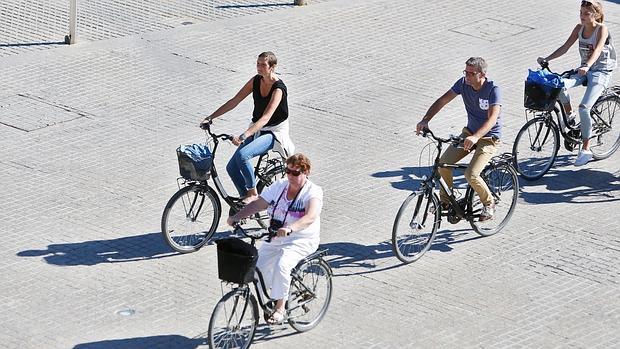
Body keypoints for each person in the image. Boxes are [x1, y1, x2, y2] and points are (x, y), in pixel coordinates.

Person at [226, 153, 323, 324]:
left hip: (301, 239)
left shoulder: (313, 192)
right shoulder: (279, 186)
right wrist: (238, 216)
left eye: (296, 173)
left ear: (306, 172)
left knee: (282, 264)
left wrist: (290, 228)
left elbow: (310, 217)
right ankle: (269, 299)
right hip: (276, 236)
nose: (290, 176)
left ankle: (280, 308)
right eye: (288, 171)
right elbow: (258, 204)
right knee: (255, 268)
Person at [415, 57, 502, 221]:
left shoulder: (493, 89)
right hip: (468, 134)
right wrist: (426, 119)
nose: (467, 76)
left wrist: (477, 137)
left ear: (482, 74)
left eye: (471, 73)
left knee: (472, 174)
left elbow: (492, 119)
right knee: (443, 165)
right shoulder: (463, 84)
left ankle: (489, 203)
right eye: (465, 72)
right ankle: (446, 201)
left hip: (489, 138)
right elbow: (442, 100)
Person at [201, 51, 295, 203]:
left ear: (272, 67)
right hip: (257, 128)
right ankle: (245, 202)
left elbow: (265, 118)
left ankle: (253, 194)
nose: (259, 67)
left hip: (274, 132)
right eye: (257, 64)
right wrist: (210, 117)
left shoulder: (278, 89)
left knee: (243, 156)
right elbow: (235, 101)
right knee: (231, 167)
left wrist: (244, 135)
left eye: (263, 65)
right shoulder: (256, 81)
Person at [537, 0, 616, 166]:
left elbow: (598, 49)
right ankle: (570, 114)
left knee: (585, 107)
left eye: (586, 14)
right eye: (581, 13)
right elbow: (565, 47)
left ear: (596, 15)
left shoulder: (602, 29)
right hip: (584, 69)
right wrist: (547, 59)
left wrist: (587, 65)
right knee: (558, 85)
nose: (582, 16)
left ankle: (586, 149)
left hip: (600, 72)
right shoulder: (579, 28)